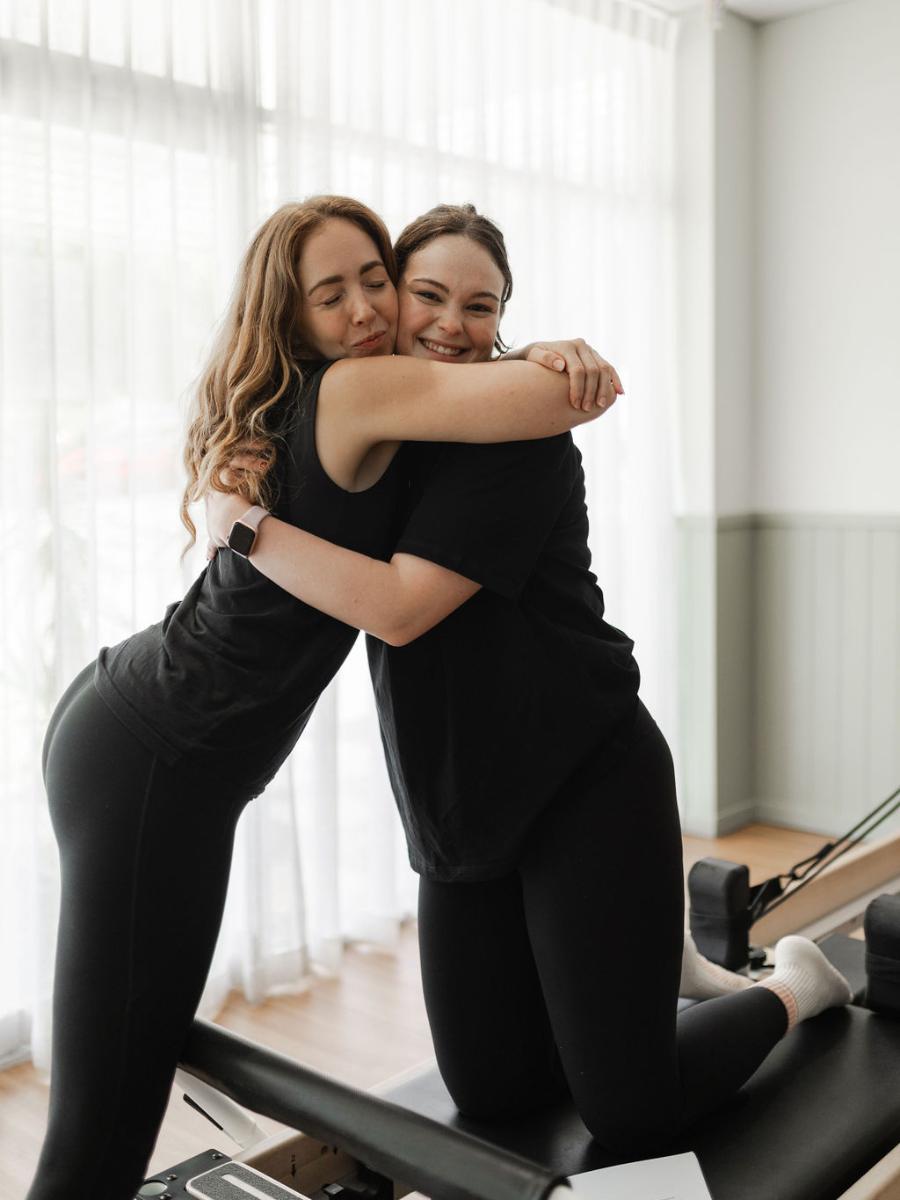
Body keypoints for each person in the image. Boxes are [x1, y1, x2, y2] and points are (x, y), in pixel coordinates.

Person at [205, 203, 854, 1157]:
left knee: (631, 1111)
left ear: (506, 317)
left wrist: (241, 525)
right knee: (493, 1093)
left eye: (483, 306)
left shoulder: (517, 435)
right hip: (460, 787)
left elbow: (395, 608)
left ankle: (793, 983)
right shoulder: (376, 414)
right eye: (426, 293)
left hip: (582, 775)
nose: (449, 324)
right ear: (387, 294)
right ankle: (634, 979)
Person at [26, 194, 615, 1200]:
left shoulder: (336, 390)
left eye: (374, 281)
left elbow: (493, 390)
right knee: (101, 1131)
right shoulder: (354, 388)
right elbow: (553, 405)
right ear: (290, 315)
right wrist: (558, 361)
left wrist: (535, 342)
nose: (363, 311)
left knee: (128, 1075)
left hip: (149, 738)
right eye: (329, 293)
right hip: (150, 757)